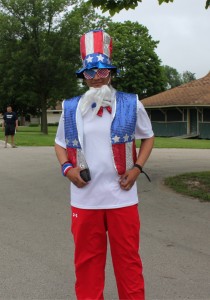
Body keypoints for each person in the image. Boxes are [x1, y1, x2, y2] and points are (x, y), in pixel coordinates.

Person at [55, 29, 154, 300]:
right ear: (83, 76)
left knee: (129, 263)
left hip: (122, 198)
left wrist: (136, 168)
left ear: (111, 72)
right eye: (90, 73)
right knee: (86, 263)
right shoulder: (71, 107)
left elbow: (148, 137)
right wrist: (67, 169)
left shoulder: (131, 103)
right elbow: (60, 143)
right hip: (85, 200)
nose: (97, 78)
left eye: (102, 72)